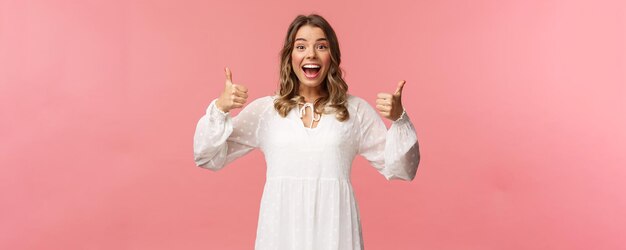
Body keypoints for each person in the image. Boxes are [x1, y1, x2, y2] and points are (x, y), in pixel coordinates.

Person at [193, 14, 420, 250]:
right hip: (281, 232)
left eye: (321, 46)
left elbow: (402, 169)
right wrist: (220, 109)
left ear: (332, 57)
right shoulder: (266, 111)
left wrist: (399, 119)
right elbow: (207, 157)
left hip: (335, 232)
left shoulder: (355, 111)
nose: (311, 54)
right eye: (301, 46)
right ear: (290, 56)